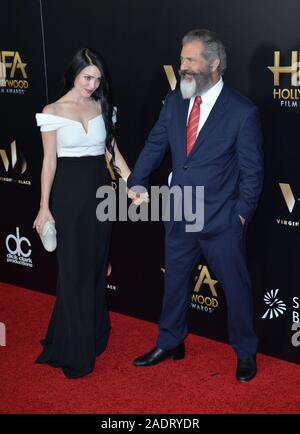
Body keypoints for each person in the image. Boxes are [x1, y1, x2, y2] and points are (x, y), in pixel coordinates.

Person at [127, 29, 263, 381]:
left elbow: (252, 171)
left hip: (222, 220)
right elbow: (157, 143)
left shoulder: (241, 112)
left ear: (214, 64)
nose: (182, 65)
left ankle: (245, 352)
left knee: (236, 288)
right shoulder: (175, 100)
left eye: (190, 59)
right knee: (174, 283)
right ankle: (170, 341)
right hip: (178, 213)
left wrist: (241, 215)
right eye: (181, 58)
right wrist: (137, 179)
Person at [34, 48, 130, 379]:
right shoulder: (52, 111)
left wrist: (133, 183)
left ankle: (93, 332)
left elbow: (113, 152)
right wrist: (44, 206)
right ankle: (74, 349)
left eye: (97, 79)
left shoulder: (103, 106)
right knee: (73, 270)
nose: (91, 84)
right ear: (74, 72)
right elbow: (49, 162)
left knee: (94, 265)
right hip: (69, 197)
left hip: (101, 195)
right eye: (87, 77)